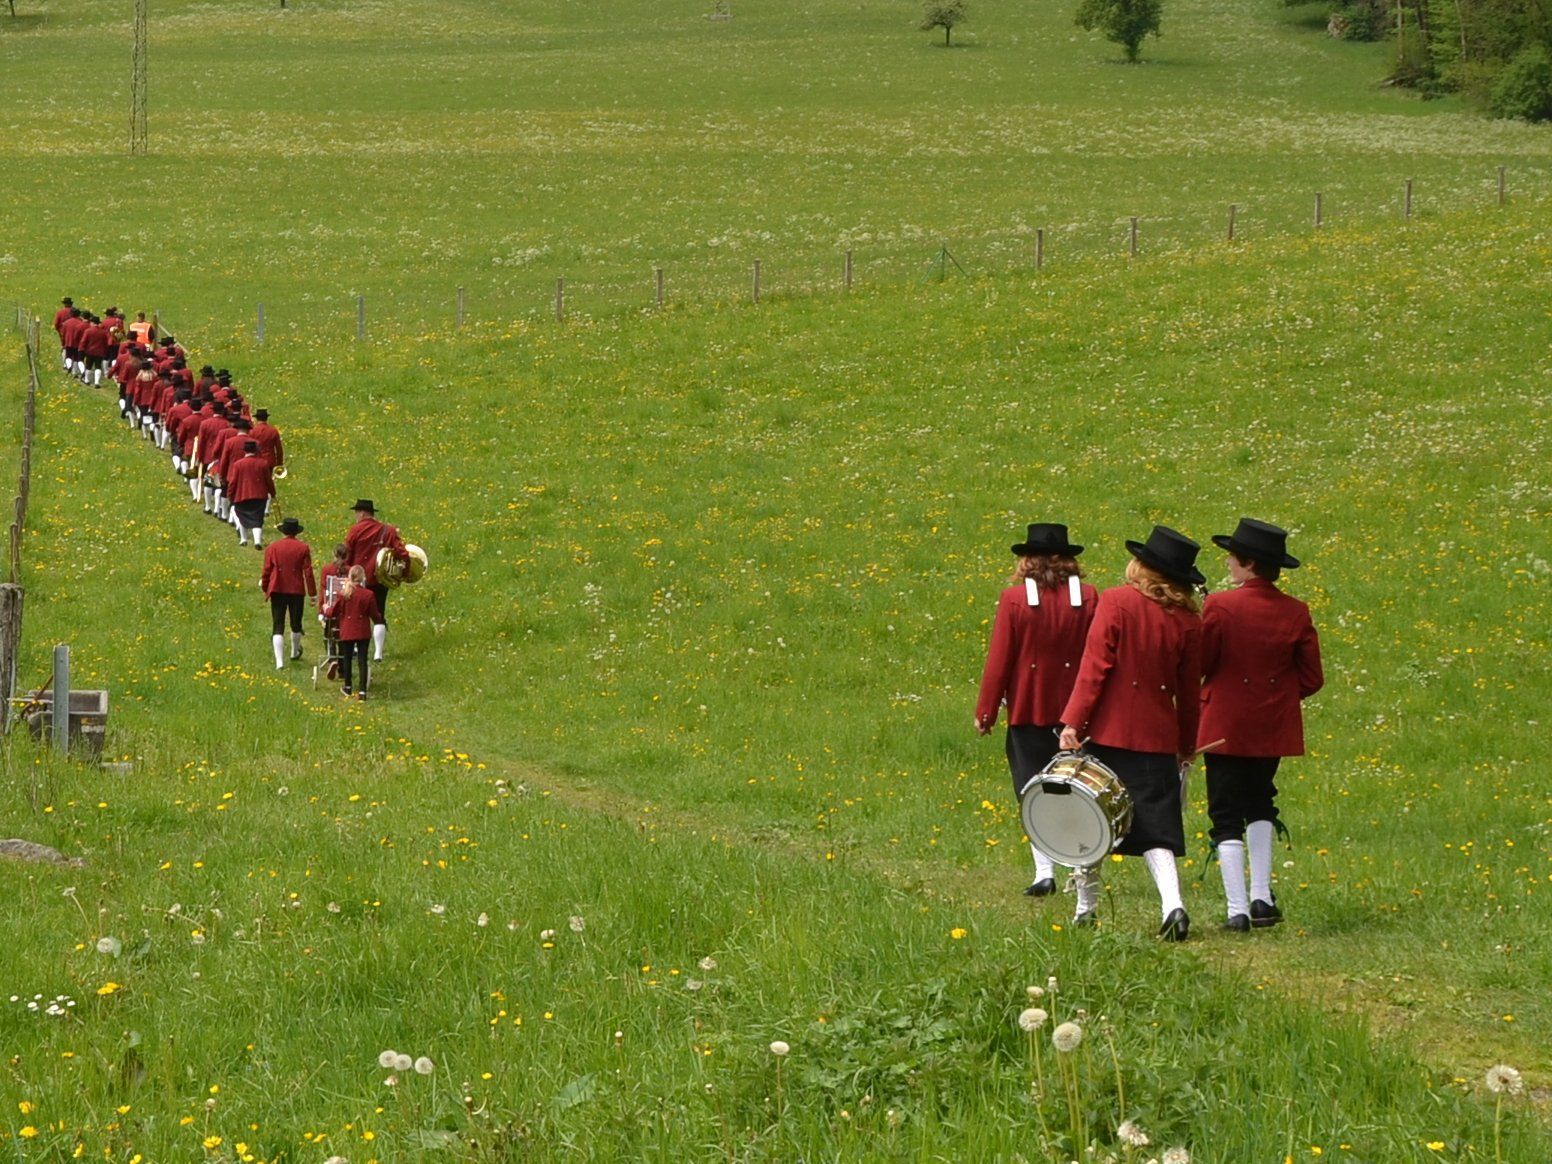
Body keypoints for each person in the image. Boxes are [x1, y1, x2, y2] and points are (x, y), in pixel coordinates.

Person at [1058, 526, 1205, 941]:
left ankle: (1085, 909)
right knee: (1157, 826)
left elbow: (1094, 670)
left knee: (1090, 822)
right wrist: (1187, 744)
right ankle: (1173, 906)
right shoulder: (1190, 621)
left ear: (1141, 566)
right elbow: (1189, 694)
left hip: (1108, 732)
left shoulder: (1116, 602)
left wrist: (1073, 722)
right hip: (1158, 736)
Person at [1198, 518, 1323, 932]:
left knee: (1225, 812)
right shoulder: (1296, 610)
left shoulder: (1220, 605)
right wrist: (1276, 697)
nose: (1229, 563)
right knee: (1261, 803)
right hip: (1271, 724)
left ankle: (1237, 908)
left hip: (1224, 723)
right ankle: (1262, 898)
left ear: (1248, 563)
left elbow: (1203, 663)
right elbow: (1311, 678)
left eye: (1232, 557)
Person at [975, 523, 1097, 897]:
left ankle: (1044, 870)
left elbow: (1000, 660)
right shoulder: (1090, 596)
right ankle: (1080, 866)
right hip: (1079, 712)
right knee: (1078, 791)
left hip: (1029, 707)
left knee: (1032, 790)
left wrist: (986, 711)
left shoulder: (1015, 599)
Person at [343, 499, 408, 662]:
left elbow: (347, 555)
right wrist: (404, 573)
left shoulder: (354, 531)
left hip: (358, 579)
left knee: (358, 614)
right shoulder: (389, 530)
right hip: (380, 579)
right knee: (379, 614)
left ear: (362, 513)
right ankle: (378, 652)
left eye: (356, 513)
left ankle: (357, 648)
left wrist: (347, 574)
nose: (355, 516)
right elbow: (403, 554)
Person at [261, 517, 317, 669]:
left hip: (278, 589)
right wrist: (312, 593)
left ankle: (279, 662)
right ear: (296, 532)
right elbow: (308, 573)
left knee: (278, 624)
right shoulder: (303, 548)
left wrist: (265, 587)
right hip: (296, 590)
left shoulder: (273, 548)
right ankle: (293, 651)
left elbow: (266, 571)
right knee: (296, 623)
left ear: (283, 531)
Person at [322, 564, 382, 700]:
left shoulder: (344, 594)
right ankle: (362, 691)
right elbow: (374, 615)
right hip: (362, 630)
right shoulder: (368, 594)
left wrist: (325, 608)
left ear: (350, 577)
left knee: (347, 659)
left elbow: (333, 612)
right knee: (362, 660)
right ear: (362, 578)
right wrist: (379, 619)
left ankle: (348, 687)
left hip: (347, 630)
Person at [225, 439, 275, 548]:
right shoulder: (263, 463)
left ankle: (243, 539)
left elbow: (233, 482)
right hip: (259, 495)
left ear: (245, 451)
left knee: (242, 517)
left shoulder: (238, 464)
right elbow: (268, 481)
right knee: (258, 519)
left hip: (241, 495)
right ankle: (257, 542)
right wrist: (273, 493)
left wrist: (230, 495)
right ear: (256, 451)